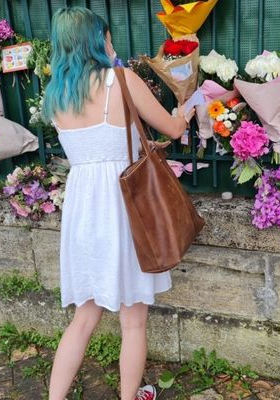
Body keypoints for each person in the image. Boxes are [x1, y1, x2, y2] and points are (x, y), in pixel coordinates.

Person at [42, 7, 194, 400]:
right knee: (133, 322)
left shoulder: (55, 94)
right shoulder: (119, 80)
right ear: (99, 39)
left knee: (84, 317)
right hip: (125, 205)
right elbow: (173, 128)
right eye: (107, 37)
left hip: (83, 209)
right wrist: (185, 108)